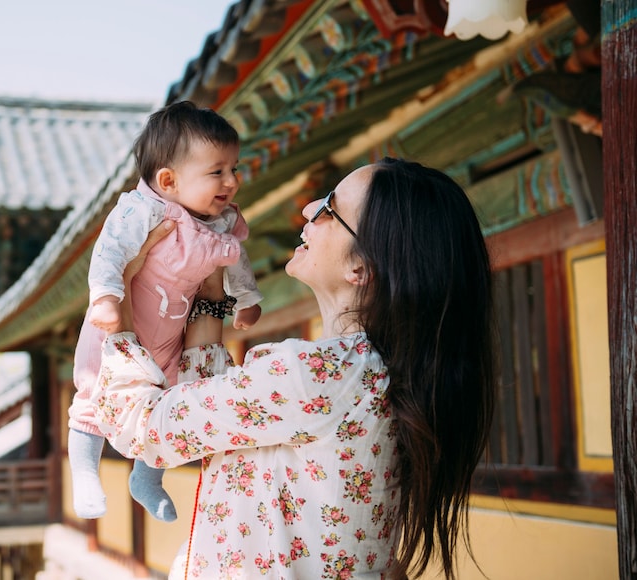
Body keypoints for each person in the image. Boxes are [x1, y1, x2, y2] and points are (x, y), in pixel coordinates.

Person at [94, 157, 496, 579]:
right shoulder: (374, 371)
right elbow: (211, 418)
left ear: (361, 268)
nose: (307, 210)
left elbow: (145, 426)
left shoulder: (314, 376)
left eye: (327, 209)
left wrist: (114, 297)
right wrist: (212, 294)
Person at [68, 101, 264, 522]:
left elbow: (236, 260)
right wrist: (104, 296)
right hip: (120, 321)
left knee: (170, 400)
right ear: (169, 180)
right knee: (93, 393)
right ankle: (84, 472)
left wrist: (245, 298)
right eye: (217, 171)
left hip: (174, 334)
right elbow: (111, 251)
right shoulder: (143, 211)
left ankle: (147, 479)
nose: (231, 180)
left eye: (234, 168)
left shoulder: (221, 222)